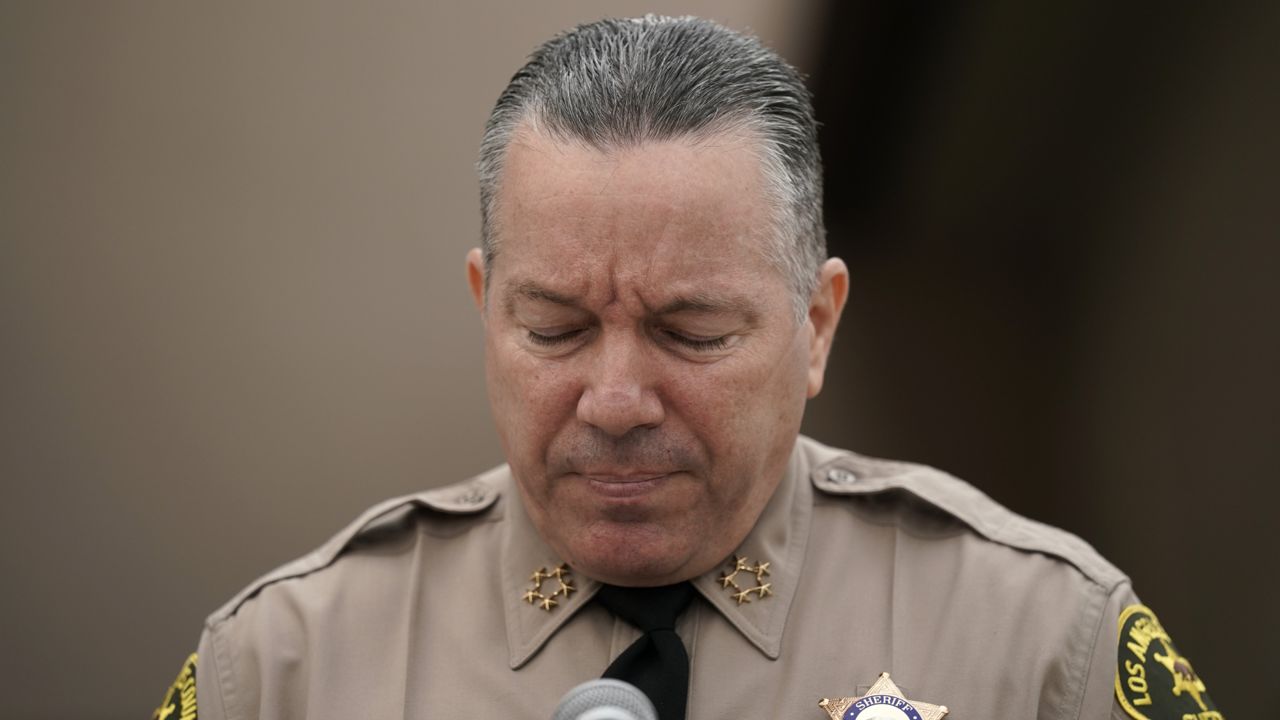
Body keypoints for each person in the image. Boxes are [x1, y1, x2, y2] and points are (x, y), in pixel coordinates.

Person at [152, 16, 1221, 720]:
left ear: (814, 325)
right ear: (486, 307)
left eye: (691, 332)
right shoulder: (285, 669)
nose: (614, 402)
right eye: (554, 329)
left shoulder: (1037, 645)